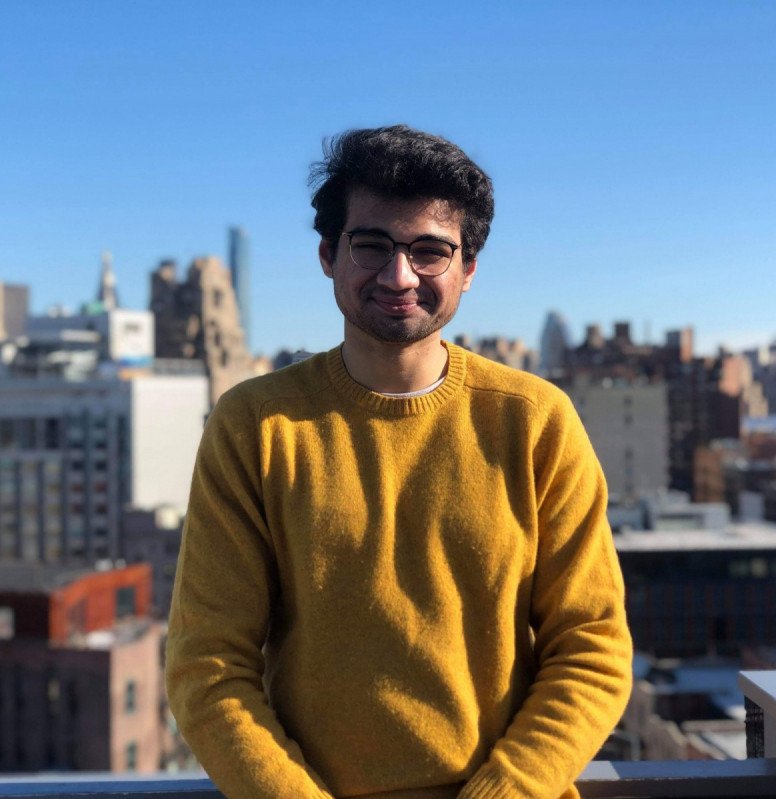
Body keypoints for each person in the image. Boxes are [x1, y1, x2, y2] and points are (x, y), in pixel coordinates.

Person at [166, 125, 633, 799]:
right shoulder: (255, 425)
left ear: (468, 270)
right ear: (328, 254)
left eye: (430, 251)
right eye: (372, 245)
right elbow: (208, 667)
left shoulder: (534, 420)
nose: (399, 275)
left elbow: (593, 649)